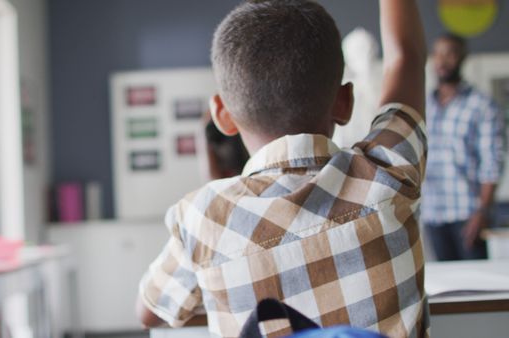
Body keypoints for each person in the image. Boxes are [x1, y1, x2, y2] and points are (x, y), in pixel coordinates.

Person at [136, 0, 428, 337]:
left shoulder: (203, 218)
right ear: (345, 102)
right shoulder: (389, 169)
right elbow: (407, 57)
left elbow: (148, 311)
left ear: (222, 115)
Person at [422, 34, 506, 261]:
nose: (442, 60)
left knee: (476, 288)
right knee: (445, 290)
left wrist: (482, 211)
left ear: (462, 58)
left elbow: (492, 160)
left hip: (468, 213)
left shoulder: (482, 104)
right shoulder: (424, 105)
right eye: (438, 53)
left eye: (450, 53)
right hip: (433, 214)